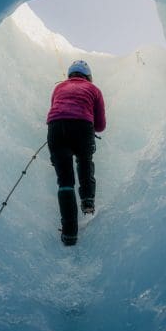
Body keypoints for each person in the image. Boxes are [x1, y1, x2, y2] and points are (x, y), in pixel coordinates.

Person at [46, 60, 106, 246]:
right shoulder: (94, 90)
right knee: (84, 161)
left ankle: (69, 234)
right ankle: (88, 201)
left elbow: (55, 107)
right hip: (82, 126)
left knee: (65, 183)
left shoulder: (59, 88)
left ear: (70, 75)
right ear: (88, 76)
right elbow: (101, 125)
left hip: (56, 127)